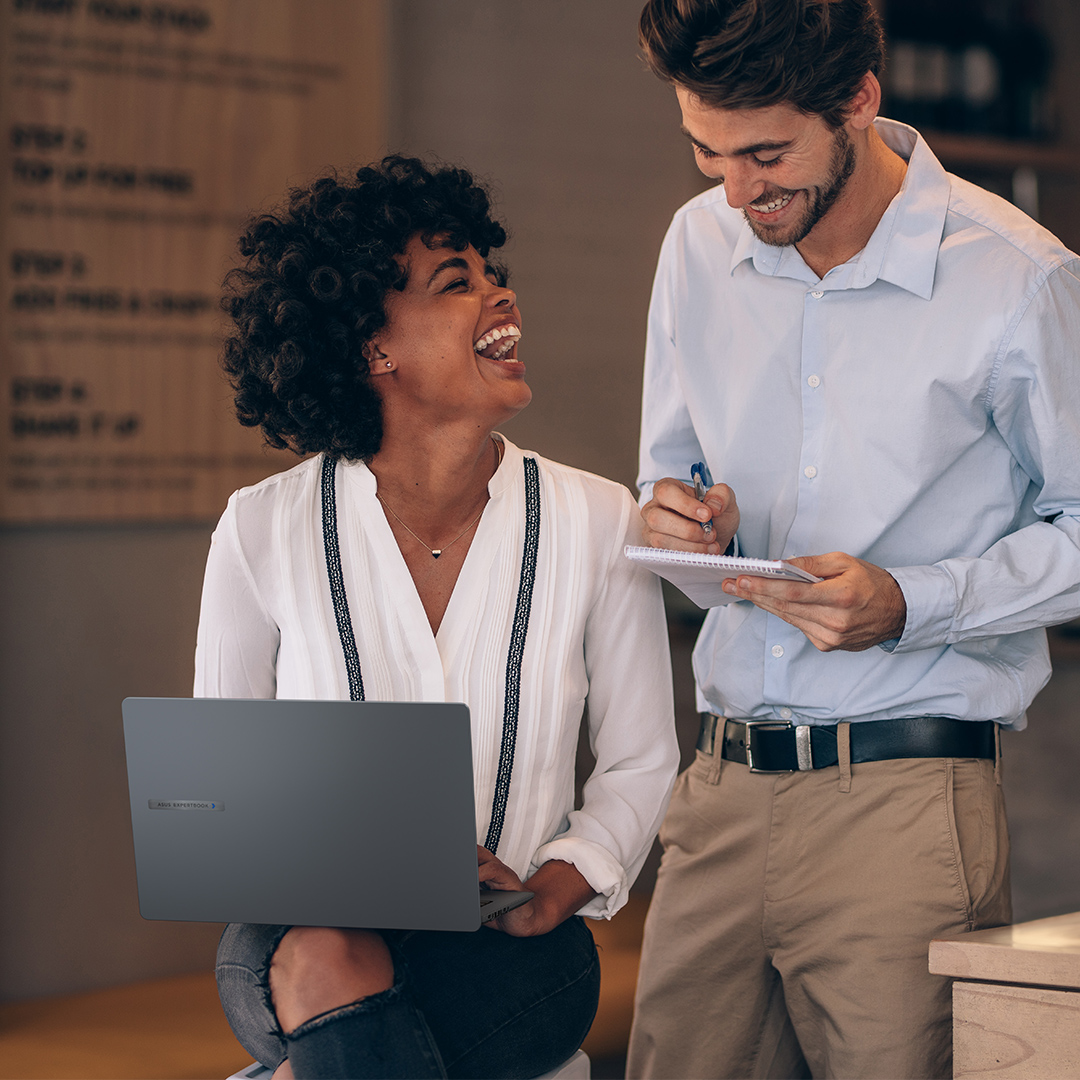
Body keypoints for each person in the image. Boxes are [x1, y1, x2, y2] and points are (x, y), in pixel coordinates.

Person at [625, 2, 1080, 1078]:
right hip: (720, 793)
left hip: (905, 803)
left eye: (767, 154)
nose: (736, 190)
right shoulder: (696, 243)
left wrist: (913, 601)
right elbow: (665, 467)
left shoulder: (1018, 277)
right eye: (707, 151)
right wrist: (682, 511)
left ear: (859, 103)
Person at [194, 155, 679, 1080]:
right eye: (459, 284)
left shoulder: (595, 519)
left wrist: (564, 877)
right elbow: (224, 792)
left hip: (512, 949)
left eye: (495, 276)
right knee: (332, 955)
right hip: (301, 940)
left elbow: (641, 758)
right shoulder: (263, 529)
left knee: (346, 1015)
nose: (503, 298)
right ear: (374, 349)